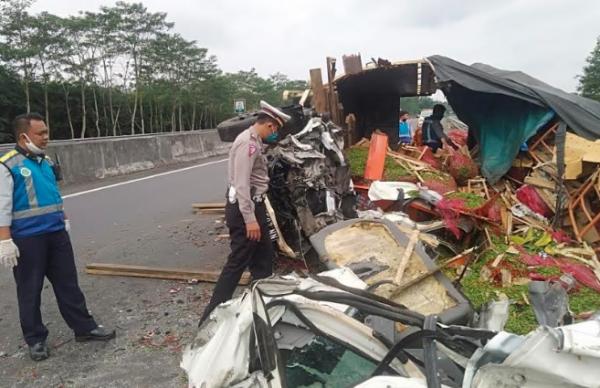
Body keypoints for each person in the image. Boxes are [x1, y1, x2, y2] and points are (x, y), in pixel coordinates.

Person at [0, 113, 115, 362]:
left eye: (46, 132)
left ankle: (84, 328)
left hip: (55, 233)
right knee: (29, 290)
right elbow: (2, 206)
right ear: (23, 136)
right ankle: (35, 339)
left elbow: (53, 194)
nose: (45, 138)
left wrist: (63, 218)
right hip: (27, 239)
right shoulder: (7, 165)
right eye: (40, 133)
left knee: (68, 284)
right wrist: (5, 241)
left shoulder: (45, 161)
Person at [199, 101, 290, 324]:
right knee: (238, 260)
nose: (275, 133)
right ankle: (211, 315)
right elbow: (241, 185)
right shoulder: (247, 144)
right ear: (269, 125)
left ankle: (262, 306)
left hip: (253, 205)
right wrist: (250, 220)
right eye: (275, 129)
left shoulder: (255, 142)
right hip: (243, 210)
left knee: (264, 257)